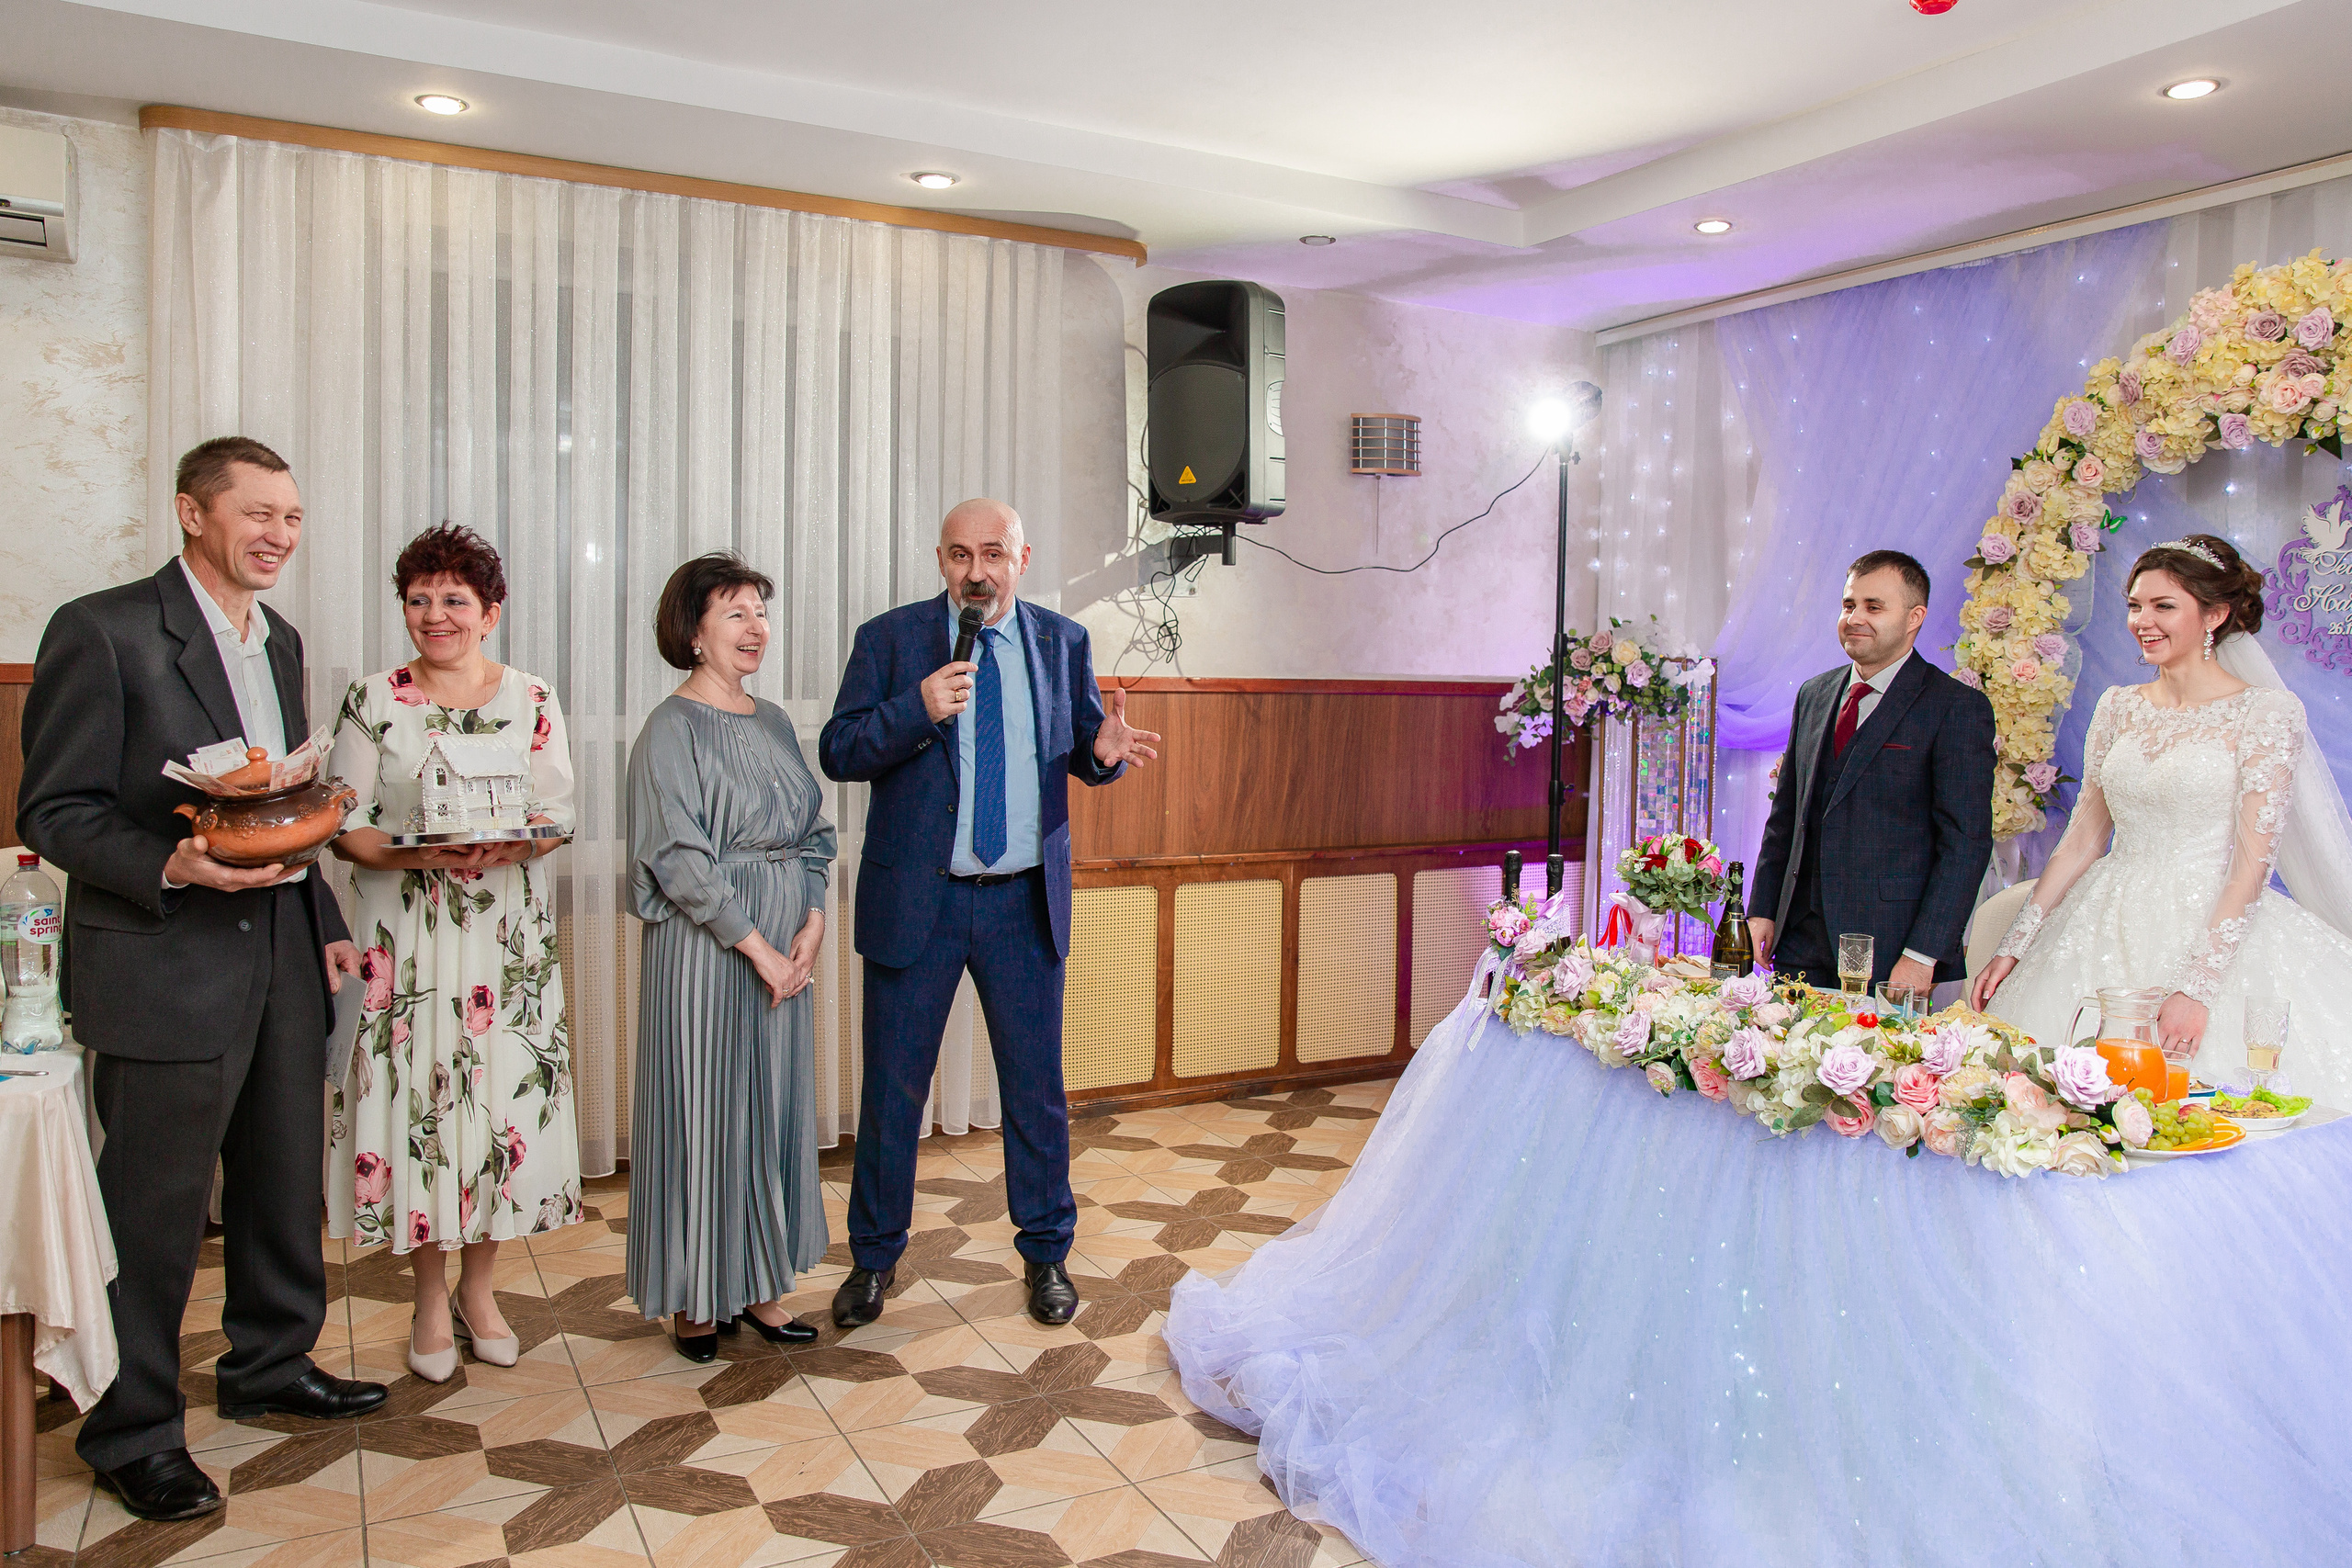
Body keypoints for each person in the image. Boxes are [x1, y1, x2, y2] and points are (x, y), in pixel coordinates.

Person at [17, 437, 386, 1523]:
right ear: (191, 513)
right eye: (258, 513)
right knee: (153, 1210)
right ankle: (129, 1429)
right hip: (160, 956)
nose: (279, 534)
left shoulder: (280, 641)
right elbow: (53, 811)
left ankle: (272, 1362)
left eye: (294, 516)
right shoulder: (104, 628)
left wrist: (318, 914)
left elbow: (278, 805)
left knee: (280, 1179)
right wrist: (167, 863)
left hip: (277, 951)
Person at [820, 498, 1159, 1330]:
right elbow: (840, 748)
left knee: (1035, 1091)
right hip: (918, 902)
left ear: (1022, 558)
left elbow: (1082, 745)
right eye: (961, 555)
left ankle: (1046, 1252)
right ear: (940, 560)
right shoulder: (890, 640)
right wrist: (918, 707)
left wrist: (1103, 757)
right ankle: (874, 1261)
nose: (977, 571)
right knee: (893, 1093)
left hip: (1021, 904)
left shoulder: (1060, 641)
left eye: (993, 554)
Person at [323, 524, 580, 1382]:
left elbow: (556, 817)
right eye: (419, 599)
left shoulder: (532, 695)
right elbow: (343, 825)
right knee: (422, 1112)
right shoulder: (372, 698)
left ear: (491, 613)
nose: (435, 615)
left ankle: (482, 1290)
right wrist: (416, 855)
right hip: (408, 940)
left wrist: (513, 846)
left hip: (504, 943)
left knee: (495, 1110)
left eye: (455, 601)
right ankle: (429, 1299)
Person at [1973, 535, 2352, 1106]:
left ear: (2216, 615)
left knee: (2191, 1106)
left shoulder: (2266, 713)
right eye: (2134, 606)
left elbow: (2252, 865)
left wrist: (2197, 989)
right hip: (2102, 916)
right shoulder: (2119, 706)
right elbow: (2081, 841)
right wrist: (2016, 942)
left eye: (2163, 606)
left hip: (2211, 920)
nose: (2142, 621)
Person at [626, 553, 833, 1361]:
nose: (755, 629)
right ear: (693, 633)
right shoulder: (669, 728)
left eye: (760, 612)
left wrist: (810, 922)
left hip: (786, 947)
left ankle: (760, 1285)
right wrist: (758, 950)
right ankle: (694, 1296)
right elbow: (678, 856)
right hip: (708, 953)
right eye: (735, 613)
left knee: (770, 1110)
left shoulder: (774, 719)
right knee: (703, 1111)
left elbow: (814, 830)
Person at [1748, 549, 1996, 995]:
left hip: (1890, 945)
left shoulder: (1956, 708)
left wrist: (1922, 955)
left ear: (1914, 617)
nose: (1854, 618)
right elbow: (1785, 816)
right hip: (1798, 939)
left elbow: (1965, 844)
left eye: (1873, 607)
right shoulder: (1815, 694)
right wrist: (1763, 908)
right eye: (1849, 605)